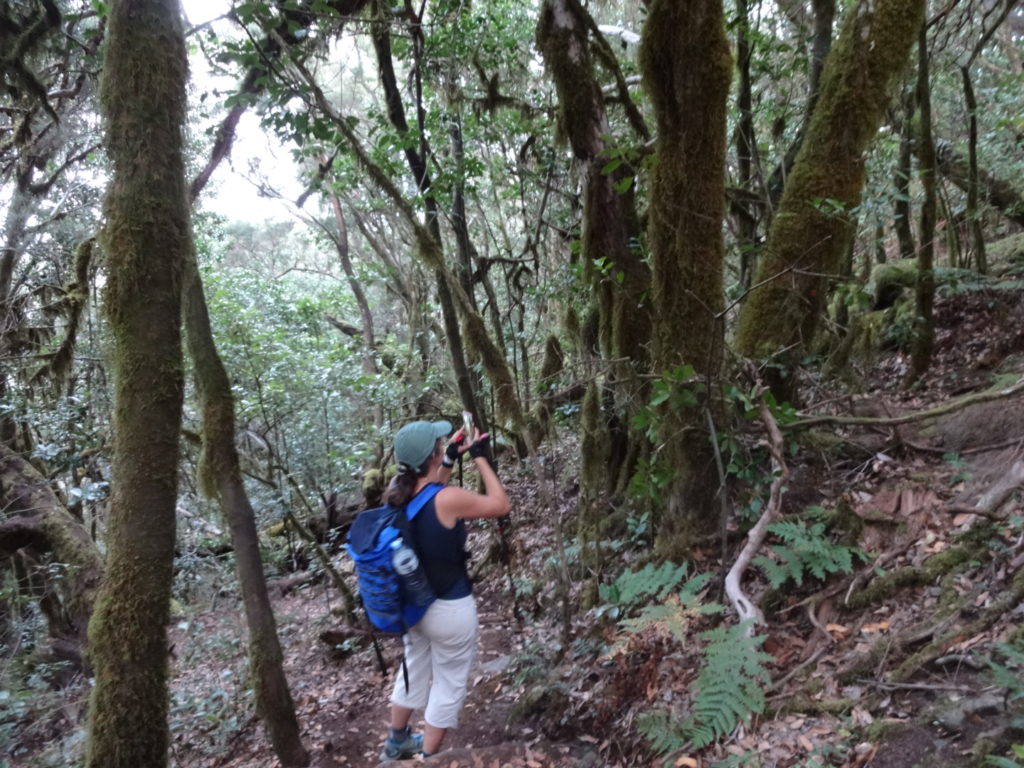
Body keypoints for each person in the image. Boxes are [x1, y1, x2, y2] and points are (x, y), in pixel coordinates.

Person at [379, 418, 510, 762]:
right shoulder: (447, 498)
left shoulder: (398, 494)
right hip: (450, 609)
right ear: (432, 454)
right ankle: (428, 759)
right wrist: (480, 456)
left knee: (415, 669)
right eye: (440, 446)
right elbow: (500, 504)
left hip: (414, 606)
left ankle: (396, 742)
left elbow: (432, 497)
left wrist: (450, 458)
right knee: (448, 684)